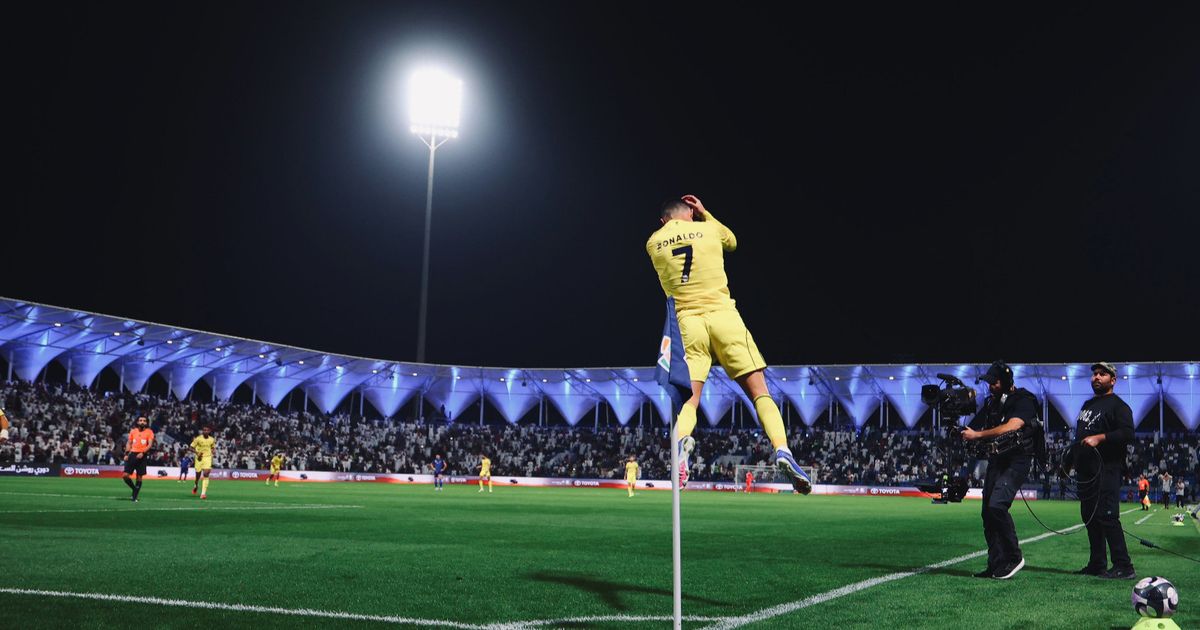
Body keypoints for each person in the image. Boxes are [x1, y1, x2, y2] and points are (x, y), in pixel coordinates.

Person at [645, 194, 810, 494]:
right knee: (760, 392)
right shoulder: (708, 229)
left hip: (687, 323)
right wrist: (706, 214)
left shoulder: (653, 242)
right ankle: (783, 450)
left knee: (690, 400)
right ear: (691, 213)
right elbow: (732, 241)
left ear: (663, 221)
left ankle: (681, 443)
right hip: (723, 316)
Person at [961, 361, 1042, 580]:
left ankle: (1013, 558)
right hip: (997, 460)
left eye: (995, 382)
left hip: (1017, 461)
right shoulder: (993, 403)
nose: (991, 387)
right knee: (987, 513)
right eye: (989, 383)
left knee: (997, 506)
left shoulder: (1023, 400)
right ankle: (995, 564)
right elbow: (981, 428)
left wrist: (977, 435)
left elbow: (1012, 426)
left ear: (1006, 382)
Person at [1064, 362, 1135, 580]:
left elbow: (1127, 433)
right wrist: (1068, 462)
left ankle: (1124, 566)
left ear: (1113, 380)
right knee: (1090, 517)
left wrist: (1101, 437)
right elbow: (1079, 439)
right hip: (1087, 472)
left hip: (1107, 469)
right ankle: (1097, 564)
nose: (1096, 377)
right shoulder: (1087, 405)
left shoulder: (1118, 406)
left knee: (1107, 516)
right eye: (1094, 373)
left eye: (1102, 374)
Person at [122, 416, 155, 502]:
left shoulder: (149, 432)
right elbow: (129, 443)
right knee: (125, 475)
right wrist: (126, 453)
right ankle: (134, 489)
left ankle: (134, 496)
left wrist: (143, 453)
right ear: (137, 422)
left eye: (144, 421)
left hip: (142, 455)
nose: (142, 422)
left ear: (146, 423)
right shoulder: (133, 431)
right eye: (140, 420)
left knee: (139, 477)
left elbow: (150, 445)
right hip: (132, 454)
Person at [190, 426, 216, 499]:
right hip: (199, 458)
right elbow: (191, 448)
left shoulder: (212, 439)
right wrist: (197, 453)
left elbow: (213, 447)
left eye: (207, 430)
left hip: (207, 457)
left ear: (209, 431)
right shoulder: (198, 439)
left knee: (206, 473)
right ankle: (196, 485)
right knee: (197, 476)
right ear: (202, 431)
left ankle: (203, 493)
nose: (205, 431)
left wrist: (213, 450)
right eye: (204, 430)